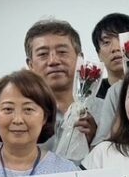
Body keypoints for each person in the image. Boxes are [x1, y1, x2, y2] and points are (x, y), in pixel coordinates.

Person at [0, 69, 80, 177]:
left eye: (28, 109)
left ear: (45, 117)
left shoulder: (66, 171)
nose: (18, 120)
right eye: (8, 109)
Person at [24, 18, 110, 164]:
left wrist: (96, 141)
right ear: (30, 65)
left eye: (62, 52)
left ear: (80, 58)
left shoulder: (105, 111)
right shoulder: (22, 116)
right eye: (43, 54)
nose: (53, 61)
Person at [91, 12, 129, 98]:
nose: (115, 48)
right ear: (98, 54)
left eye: (121, 39)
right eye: (106, 42)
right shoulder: (92, 94)